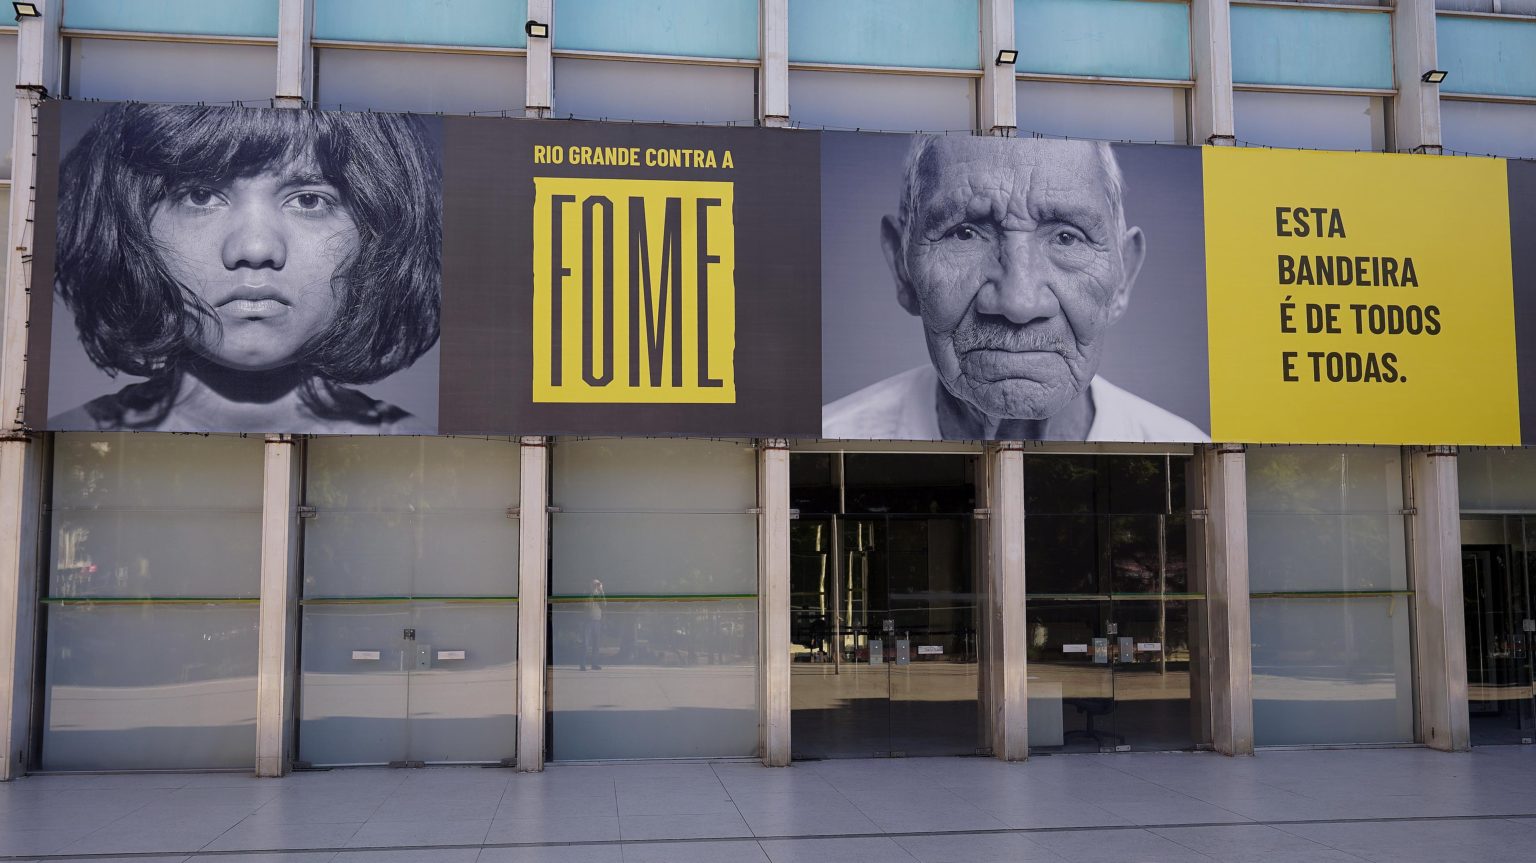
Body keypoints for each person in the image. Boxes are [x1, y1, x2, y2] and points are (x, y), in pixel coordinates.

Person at [50, 103, 442, 433]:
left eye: (309, 200)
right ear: (128, 225)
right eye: (201, 195)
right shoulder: (58, 443)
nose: (255, 249)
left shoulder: (434, 467)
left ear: (379, 233)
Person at [822, 136, 1207, 443]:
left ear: (1123, 276)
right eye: (965, 233)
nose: (1018, 303)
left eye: (1067, 238)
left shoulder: (1185, 455)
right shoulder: (826, 446)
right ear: (902, 266)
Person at [580, 578, 606, 671]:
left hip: (597, 621)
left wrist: (602, 591)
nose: (597, 586)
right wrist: (592, 592)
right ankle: (582, 664)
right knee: (585, 644)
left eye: (598, 584)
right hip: (588, 622)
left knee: (596, 644)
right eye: (595, 584)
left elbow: (604, 604)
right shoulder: (587, 593)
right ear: (590, 585)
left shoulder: (599, 594)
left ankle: (594, 664)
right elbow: (587, 605)